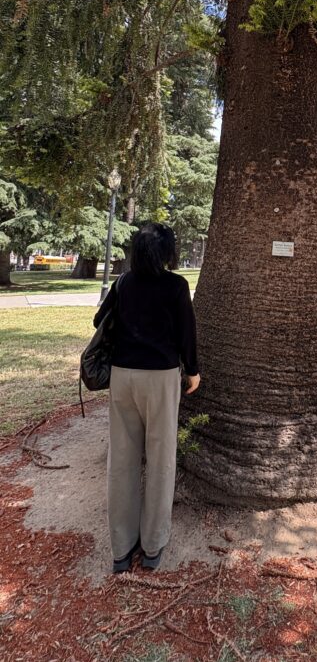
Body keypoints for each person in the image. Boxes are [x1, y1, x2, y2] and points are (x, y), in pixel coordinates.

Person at [93, 222, 200, 574]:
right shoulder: (175, 285)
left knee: (121, 461)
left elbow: (99, 320)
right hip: (160, 378)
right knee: (160, 459)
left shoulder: (123, 283)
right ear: (167, 252)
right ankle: (152, 545)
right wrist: (193, 370)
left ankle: (121, 549)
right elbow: (187, 333)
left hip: (122, 377)